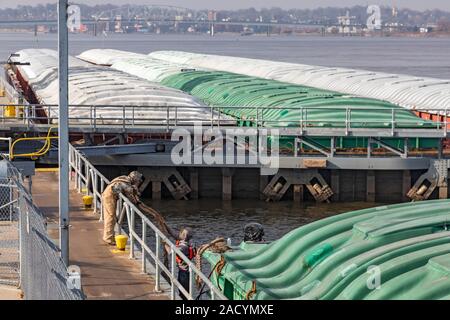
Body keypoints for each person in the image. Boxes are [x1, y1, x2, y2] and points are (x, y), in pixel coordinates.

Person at [101, 171, 143, 245]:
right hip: (109, 197)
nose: (138, 182)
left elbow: (130, 190)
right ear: (135, 179)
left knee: (111, 217)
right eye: (138, 180)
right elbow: (130, 196)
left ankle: (110, 236)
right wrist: (137, 201)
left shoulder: (124, 179)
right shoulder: (126, 183)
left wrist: (135, 190)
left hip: (109, 195)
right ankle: (108, 238)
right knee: (110, 217)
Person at [175, 227, 196, 300]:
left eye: (182, 233)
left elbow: (171, 252)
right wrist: (164, 226)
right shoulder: (186, 244)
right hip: (185, 272)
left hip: (184, 273)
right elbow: (172, 234)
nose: (179, 233)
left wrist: (164, 243)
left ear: (184, 236)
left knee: (184, 293)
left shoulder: (183, 247)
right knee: (183, 291)